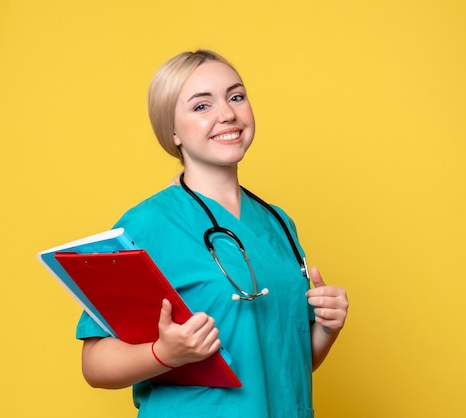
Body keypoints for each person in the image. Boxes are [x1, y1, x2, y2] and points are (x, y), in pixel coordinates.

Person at [75, 49, 349, 418]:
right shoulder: (147, 225)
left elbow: (282, 363)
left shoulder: (278, 222)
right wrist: (164, 354)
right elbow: (94, 363)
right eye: (202, 106)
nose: (227, 113)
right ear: (172, 131)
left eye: (235, 97)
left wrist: (326, 330)